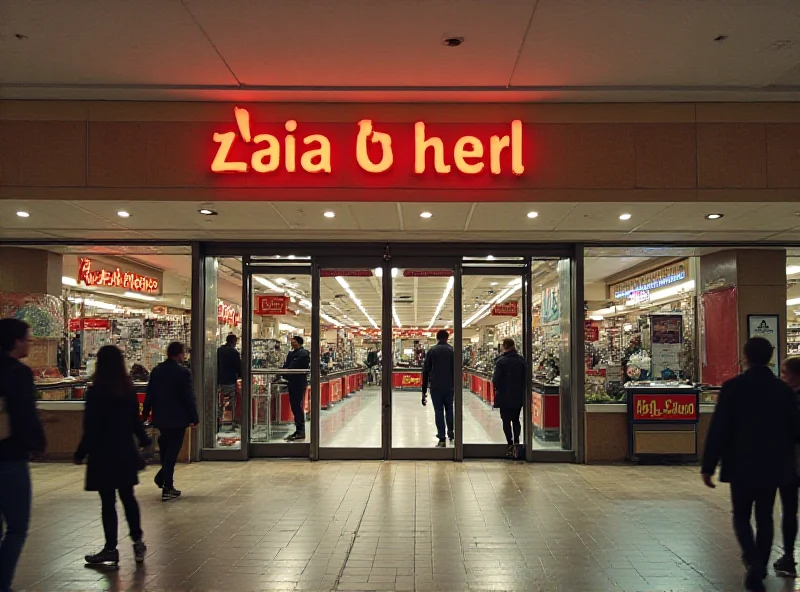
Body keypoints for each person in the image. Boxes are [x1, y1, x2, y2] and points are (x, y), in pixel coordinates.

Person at [702, 337, 800, 592]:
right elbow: (796, 430)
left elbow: (719, 429)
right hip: (773, 464)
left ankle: (753, 560)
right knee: (765, 516)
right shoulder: (783, 390)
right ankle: (761, 564)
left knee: (741, 515)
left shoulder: (733, 387)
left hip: (741, 464)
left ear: (745, 356)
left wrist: (708, 465)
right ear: (770, 357)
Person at [74, 345, 150, 567]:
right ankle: (137, 542)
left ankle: (110, 548)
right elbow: (135, 421)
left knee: (107, 502)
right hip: (124, 451)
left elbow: (91, 427)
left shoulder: (96, 392)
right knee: (128, 497)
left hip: (102, 453)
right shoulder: (127, 390)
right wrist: (144, 441)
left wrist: (81, 452)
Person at [0, 319, 46, 592]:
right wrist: (38, 442)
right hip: (11, 457)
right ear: (15, 341)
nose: (30, 343)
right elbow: (25, 413)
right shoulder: (18, 373)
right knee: (16, 528)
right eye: (28, 339)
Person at [142, 342, 199, 501]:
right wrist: (194, 417)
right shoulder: (183, 373)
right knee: (172, 452)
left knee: (166, 449)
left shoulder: (157, 371)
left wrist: (145, 414)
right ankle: (166, 484)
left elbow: (150, 395)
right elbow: (188, 397)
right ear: (180, 354)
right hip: (178, 418)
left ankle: (165, 480)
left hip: (161, 417)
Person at [775, 356, 800, 577]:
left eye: (784, 373)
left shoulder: (787, 398)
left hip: (791, 462)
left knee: (789, 509)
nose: (782, 377)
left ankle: (789, 556)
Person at [492, 337, 526, 459]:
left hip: (504, 395)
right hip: (518, 395)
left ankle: (510, 444)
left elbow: (495, 379)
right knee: (516, 419)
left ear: (505, 346)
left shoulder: (501, 361)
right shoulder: (521, 360)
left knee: (506, 421)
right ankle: (517, 442)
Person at [422, 329, 454, 447]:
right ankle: (451, 431)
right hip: (449, 385)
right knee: (450, 409)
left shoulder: (432, 351)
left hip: (436, 386)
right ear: (447, 338)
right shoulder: (452, 351)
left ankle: (441, 438)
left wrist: (424, 391)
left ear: (437, 338)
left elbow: (426, 371)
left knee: (438, 411)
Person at [282, 336, 310, 441]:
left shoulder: (304, 353)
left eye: (294, 341)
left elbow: (292, 367)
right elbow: (286, 367)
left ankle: (301, 431)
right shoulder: (291, 354)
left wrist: (287, 370)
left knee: (297, 406)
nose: (292, 343)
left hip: (299, 383)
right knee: (294, 407)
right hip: (292, 382)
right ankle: (298, 430)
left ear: (298, 342)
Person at [217, 334, 241, 430]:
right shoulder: (234, 352)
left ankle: (219, 421)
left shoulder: (219, 350)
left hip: (221, 380)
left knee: (220, 402)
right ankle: (233, 421)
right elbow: (238, 367)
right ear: (233, 341)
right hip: (231, 380)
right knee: (233, 401)